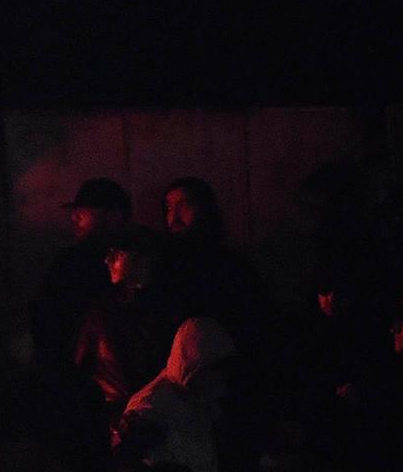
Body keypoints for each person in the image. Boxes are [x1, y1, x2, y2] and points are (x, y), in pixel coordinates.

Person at [115, 317, 236, 472]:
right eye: (216, 369)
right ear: (195, 363)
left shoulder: (202, 400)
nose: (222, 377)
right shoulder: (149, 407)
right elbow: (132, 468)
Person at [74, 230, 180, 427]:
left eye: (116, 254)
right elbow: (81, 369)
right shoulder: (101, 312)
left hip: (151, 417)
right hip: (115, 418)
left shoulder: (167, 311)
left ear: (142, 259)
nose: (107, 260)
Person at [33, 177, 133, 370]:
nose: (74, 218)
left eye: (83, 211)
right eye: (75, 212)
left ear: (114, 215)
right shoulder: (69, 261)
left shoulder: (139, 256)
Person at [158, 176, 266, 346]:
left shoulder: (229, 267)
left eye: (184, 206)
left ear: (204, 209)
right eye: (169, 207)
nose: (174, 216)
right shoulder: (160, 264)